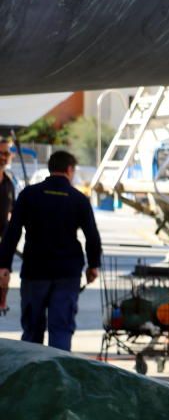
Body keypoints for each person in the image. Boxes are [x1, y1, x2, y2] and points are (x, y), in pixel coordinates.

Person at [0, 150, 102, 350]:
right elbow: (92, 236)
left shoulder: (29, 195)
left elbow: (12, 232)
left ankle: (31, 377)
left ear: (50, 168)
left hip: (35, 271)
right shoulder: (78, 199)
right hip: (67, 273)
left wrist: (4, 265)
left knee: (32, 331)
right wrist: (93, 266)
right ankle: (57, 378)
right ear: (70, 170)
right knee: (61, 330)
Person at [0, 137, 15, 238]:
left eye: (7, 154)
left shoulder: (9, 182)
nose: (4, 158)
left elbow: (12, 209)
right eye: (2, 153)